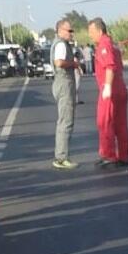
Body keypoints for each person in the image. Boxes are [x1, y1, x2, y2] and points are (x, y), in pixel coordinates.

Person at [88, 18, 128, 168]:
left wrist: (107, 86)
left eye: (92, 32)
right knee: (121, 124)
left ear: (99, 31)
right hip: (120, 88)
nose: (90, 36)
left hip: (111, 90)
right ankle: (123, 156)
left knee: (104, 122)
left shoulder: (104, 45)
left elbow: (110, 66)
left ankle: (108, 155)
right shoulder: (112, 44)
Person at [51, 19, 80, 170]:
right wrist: (73, 64)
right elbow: (59, 62)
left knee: (64, 120)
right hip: (64, 82)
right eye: (69, 31)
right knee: (66, 121)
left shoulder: (61, 44)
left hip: (62, 83)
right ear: (61, 30)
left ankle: (61, 155)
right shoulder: (61, 45)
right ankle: (61, 157)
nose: (71, 33)